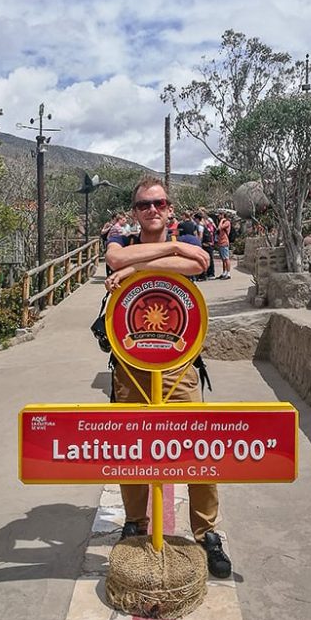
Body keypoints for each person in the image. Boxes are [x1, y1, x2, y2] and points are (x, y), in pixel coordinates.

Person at [104, 177, 232, 578]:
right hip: (131, 363)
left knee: (197, 448)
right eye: (144, 205)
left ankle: (206, 532)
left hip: (178, 363)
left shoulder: (187, 237)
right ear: (134, 210)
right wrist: (165, 254)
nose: (152, 210)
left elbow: (201, 262)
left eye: (158, 203)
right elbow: (113, 261)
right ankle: (135, 522)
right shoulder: (119, 242)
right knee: (132, 447)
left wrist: (139, 266)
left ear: (169, 206)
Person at [217, 212, 232, 280]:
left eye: (220, 215)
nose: (218, 216)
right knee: (223, 259)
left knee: (226, 258)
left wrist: (222, 220)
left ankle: (228, 273)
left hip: (224, 242)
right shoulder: (223, 222)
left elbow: (220, 228)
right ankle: (224, 272)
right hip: (220, 242)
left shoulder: (227, 222)